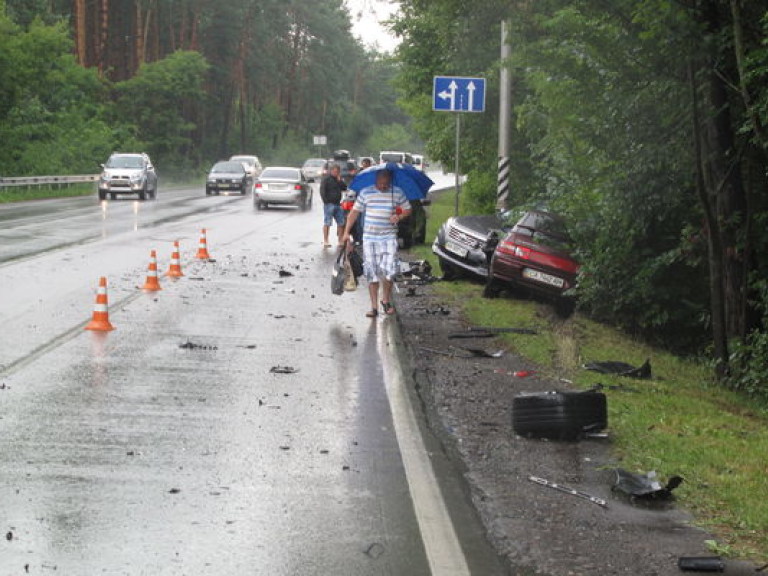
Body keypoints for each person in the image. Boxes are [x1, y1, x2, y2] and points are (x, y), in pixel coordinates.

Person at [342, 170, 411, 317]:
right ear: (376, 180)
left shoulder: (397, 192)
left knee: (390, 270)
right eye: (380, 183)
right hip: (370, 238)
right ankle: (373, 307)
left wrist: (399, 216)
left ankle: (385, 300)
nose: (383, 186)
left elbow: (408, 209)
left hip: (389, 237)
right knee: (371, 272)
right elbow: (354, 213)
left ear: (390, 180)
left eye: (386, 183)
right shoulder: (366, 193)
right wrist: (346, 232)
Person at [319, 164, 347, 247]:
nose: (336, 173)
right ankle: (326, 240)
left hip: (338, 204)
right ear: (331, 171)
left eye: (337, 172)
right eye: (334, 171)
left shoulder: (338, 180)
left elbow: (344, 188)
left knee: (341, 222)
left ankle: (340, 240)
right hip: (329, 204)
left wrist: (339, 180)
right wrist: (326, 201)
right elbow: (322, 190)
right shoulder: (326, 179)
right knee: (327, 222)